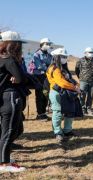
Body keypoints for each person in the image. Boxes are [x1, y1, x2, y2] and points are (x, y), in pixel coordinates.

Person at [0, 31, 28, 172]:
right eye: (18, 44)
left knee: (10, 130)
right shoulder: (9, 60)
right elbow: (21, 78)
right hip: (9, 98)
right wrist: (17, 78)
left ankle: (3, 157)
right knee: (9, 131)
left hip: (3, 98)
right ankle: (4, 164)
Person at [46, 48, 81, 142]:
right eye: (62, 56)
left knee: (70, 112)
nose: (64, 58)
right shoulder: (53, 68)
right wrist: (75, 88)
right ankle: (57, 132)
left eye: (65, 56)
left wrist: (76, 84)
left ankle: (67, 130)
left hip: (67, 93)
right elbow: (61, 83)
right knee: (57, 113)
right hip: (57, 93)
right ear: (56, 57)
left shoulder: (64, 68)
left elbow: (70, 79)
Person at [31, 38, 53, 121]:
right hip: (39, 78)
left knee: (46, 94)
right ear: (42, 44)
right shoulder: (36, 54)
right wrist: (48, 68)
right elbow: (39, 66)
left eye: (49, 44)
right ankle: (39, 114)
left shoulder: (49, 55)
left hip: (47, 77)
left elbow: (51, 64)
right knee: (40, 95)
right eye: (47, 44)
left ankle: (43, 113)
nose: (48, 46)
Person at [75, 47, 93, 115]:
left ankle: (89, 109)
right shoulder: (80, 60)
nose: (91, 54)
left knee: (91, 96)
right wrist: (81, 77)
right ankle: (82, 109)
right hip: (83, 81)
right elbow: (77, 70)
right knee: (82, 95)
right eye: (89, 52)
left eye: (92, 52)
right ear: (85, 53)